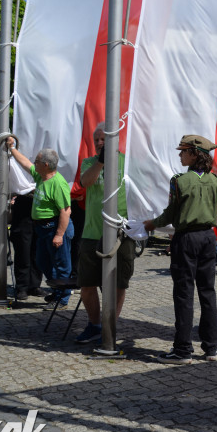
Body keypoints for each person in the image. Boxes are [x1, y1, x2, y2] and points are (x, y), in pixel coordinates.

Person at [143, 134, 217, 365]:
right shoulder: (214, 179)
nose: (180, 155)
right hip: (208, 237)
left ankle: (183, 349)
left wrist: (152, 223)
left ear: (195, 154)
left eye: (184, 151)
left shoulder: (179, 180)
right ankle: (212, 347)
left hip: (186, 238)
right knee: (208, 292)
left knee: (184, 293)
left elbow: (171, 213)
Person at [75, 127, 136, 344]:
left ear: (115, 140)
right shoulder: (88, 163)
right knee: (87, 283)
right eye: (97, 139)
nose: (100, 142)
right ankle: (94, 325)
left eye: (104, 138)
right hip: (92, 232)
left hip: (122, 234)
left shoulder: (128, 162)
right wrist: (100, 162)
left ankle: (110, 325)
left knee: (119, 283)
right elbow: (85, 183)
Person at [6, 139, 74, 308]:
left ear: (45, 164)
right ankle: (57, 289)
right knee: (42, 261)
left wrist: (59, 234)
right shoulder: (41, 176)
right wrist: (12, 148)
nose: (34, 163)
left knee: (61, 264)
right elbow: (25, 163)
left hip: (54, 228)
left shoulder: (58, 183)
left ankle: (62, 298)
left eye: (37, 161)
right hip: (42, 229)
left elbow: (66, 211)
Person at [10, 192, 44, 301]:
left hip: (40, 202)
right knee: (22, 250)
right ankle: (22, 287)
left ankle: (35, 285)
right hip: (24, 202)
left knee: (37, 251)